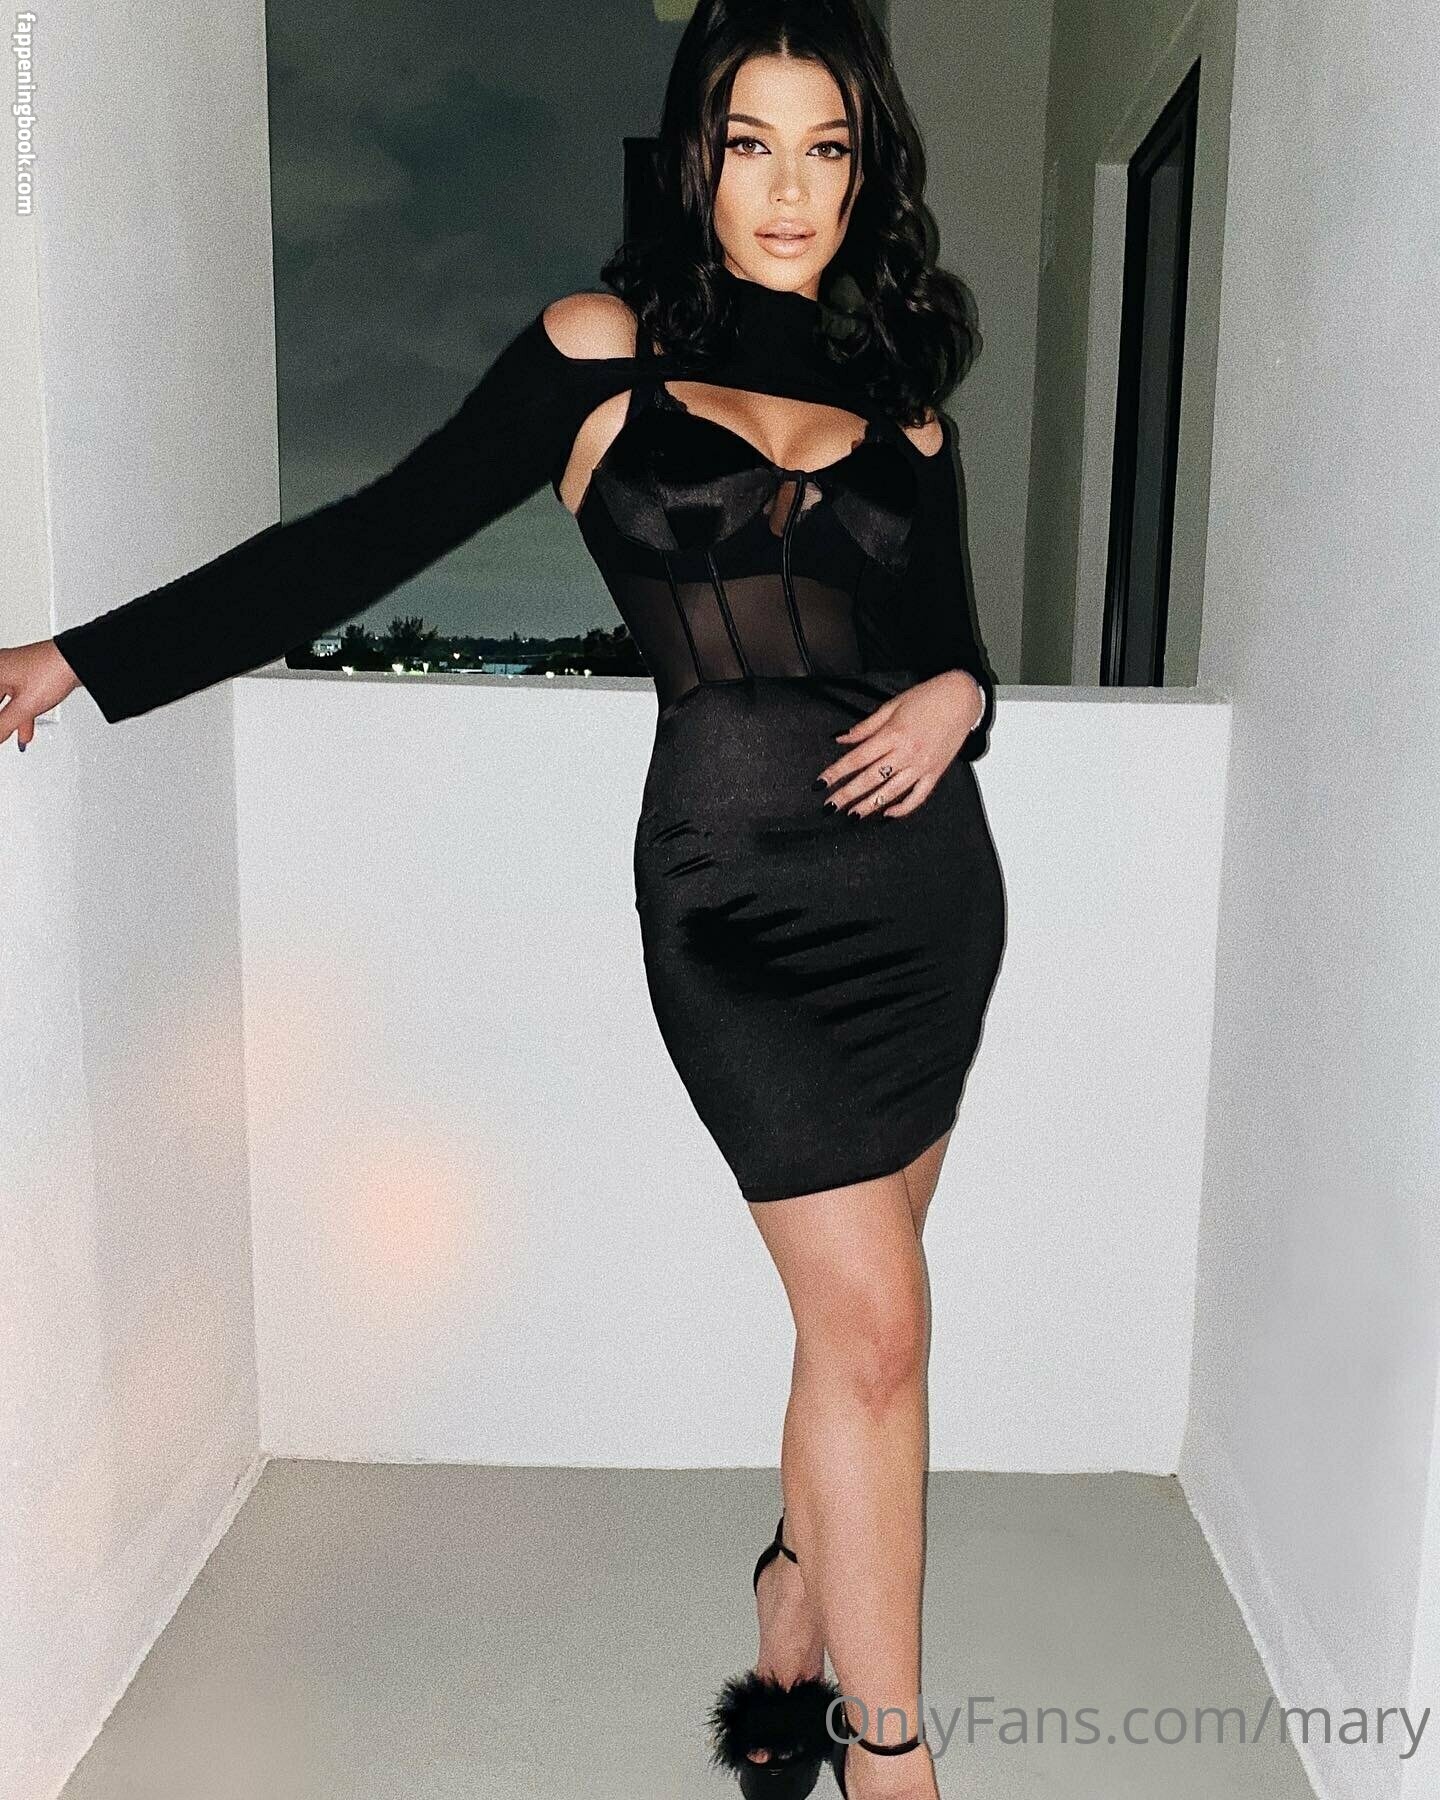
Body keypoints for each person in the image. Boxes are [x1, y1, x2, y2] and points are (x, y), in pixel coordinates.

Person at [0, 2, 1005, 1794]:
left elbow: (951, 650)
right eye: (753, 144)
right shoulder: (598, 357)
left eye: (827, 149)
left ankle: (797, 1582)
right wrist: (85, 656)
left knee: (864, 1325)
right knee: (880, 1328)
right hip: (736, 915)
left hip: (925, 907)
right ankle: (890, 1755)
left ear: (869, 173)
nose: (789, 189)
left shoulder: (908, 415)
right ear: (696, 157)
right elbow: (355, 542)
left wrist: (962, 698)